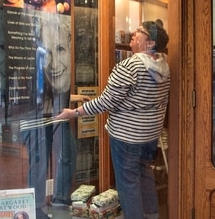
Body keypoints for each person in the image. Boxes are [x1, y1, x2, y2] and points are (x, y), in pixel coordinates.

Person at [55, 20, 171, 219]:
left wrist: (74, 113)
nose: (134, 33)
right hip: (149, 135)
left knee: (128, 184)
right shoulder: (164, 66)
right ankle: (152, 216)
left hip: (126, 137)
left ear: (150, 43)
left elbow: (106, 102)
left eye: (140, 32)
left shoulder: (129, 65)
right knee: (144, 176)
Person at [22, 13, 88, 219]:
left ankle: (59, 202)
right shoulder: (35, 69)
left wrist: (74, 97)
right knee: (41, 160)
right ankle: (37, 207)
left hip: (57, 113)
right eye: (47, 52)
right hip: (39, 117)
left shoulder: (58, 77)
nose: (54, 62)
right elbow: (43, 91)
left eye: (60, 49)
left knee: (67, 154)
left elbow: (58, 88)